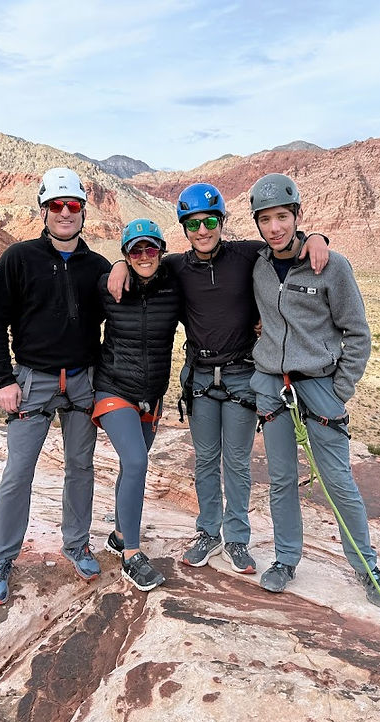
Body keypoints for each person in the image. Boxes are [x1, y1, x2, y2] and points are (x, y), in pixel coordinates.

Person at [108, 183, 328, 576]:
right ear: (184, 228)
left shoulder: (246, 254)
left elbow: (283, 246)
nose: (202, 230)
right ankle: (208, 532)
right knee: (206, 460)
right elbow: (144, 261)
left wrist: (315, 237)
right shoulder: (176, 265)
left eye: (209, 220)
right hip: (201, 378)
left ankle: (237, 538)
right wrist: (119, 264)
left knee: (238, 462)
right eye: (192, 224)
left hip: (243, 375)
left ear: (221, 222)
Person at [248, 173, 380, 607]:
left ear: (296, 216)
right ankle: (286, 559)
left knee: (337, 481)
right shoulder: (257, 266)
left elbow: (358, 334)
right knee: (281, 479)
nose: (274, 228)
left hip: (319, 387)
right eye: (265, 220)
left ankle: (367, 567)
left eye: (282, 217)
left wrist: (340, 390)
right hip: (273, 387)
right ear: (256, 224)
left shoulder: (331, 266)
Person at [0, 167, 111, 605]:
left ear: (83, 211)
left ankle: (76, 544)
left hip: (81, 381)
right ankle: (2, 557)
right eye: (56, 206)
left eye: (72, 205)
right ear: (43, 210)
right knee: (18, 472)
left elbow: (129, 319)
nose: (65, 213)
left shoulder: (98, 267)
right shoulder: (18, 259)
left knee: (81, 467)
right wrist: (4, 378)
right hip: (32, 379)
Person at [93, 219, 183, 591]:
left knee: (133, 467)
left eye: (150, 249)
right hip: (113, 388)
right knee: (136, 461)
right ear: (126, 256)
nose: (144, 256)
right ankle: (131, 554)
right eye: (135, 250)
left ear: (161, 250)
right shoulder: (108, 286)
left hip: (152, 394)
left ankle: (117, 535)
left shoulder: (175, 286)